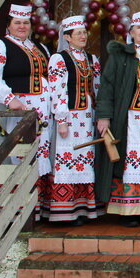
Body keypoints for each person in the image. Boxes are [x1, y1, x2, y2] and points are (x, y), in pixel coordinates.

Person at [94, 11, 140, 227]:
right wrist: (105, 116)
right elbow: (107, 86)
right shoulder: (121, 56)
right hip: (128, 118)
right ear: (131, 32)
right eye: (139, 28)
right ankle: (128, 209)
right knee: (128, 159)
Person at [0, 4, 52, 214]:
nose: (22, 26)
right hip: (11, 111)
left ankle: (29, 208)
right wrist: (9, 99)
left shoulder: (38, 48)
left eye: (26, 23)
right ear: (8, 25)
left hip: (37, 112)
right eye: (17, 22)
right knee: (8, 155)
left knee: (32, 156)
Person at [42, 15, 102, 224]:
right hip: (70, 116)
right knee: (68, 158)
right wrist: (61, 119)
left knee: (85, 158)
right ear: (67, 37)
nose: (83, 36)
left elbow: (97, 87)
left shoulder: (92, 59)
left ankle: (83, 208)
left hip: (88, 116)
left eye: (85, 33)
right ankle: (65, 210)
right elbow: (57, 90)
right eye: (78, 34)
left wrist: (99, 114)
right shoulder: (59, 59)